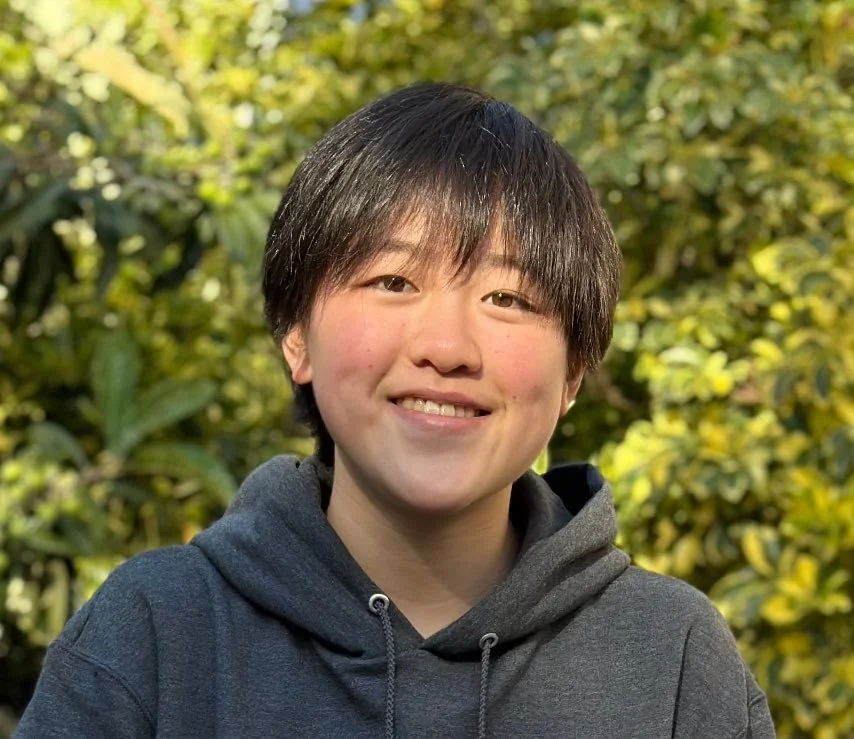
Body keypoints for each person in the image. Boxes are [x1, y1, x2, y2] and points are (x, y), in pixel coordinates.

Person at [16, 82, 775, 738]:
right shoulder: (154, 634)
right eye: (393, 282)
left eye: (507, 297)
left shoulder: (674, 658)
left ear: (573, 372)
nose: (447, 347)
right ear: (296, 336)